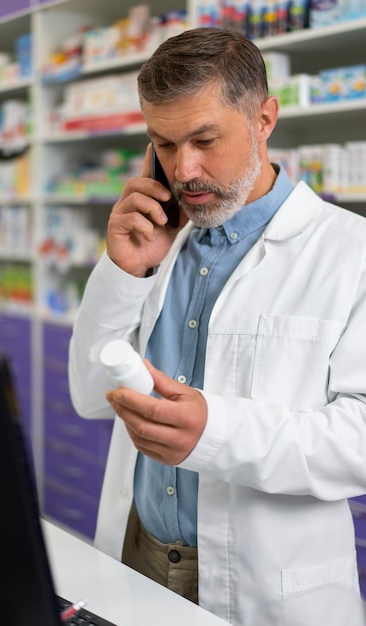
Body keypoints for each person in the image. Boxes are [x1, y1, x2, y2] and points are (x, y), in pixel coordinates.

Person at [68, 27, 366, 626]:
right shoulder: (159, 240)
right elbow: (86, 396)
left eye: (205, 139)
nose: (185, 169)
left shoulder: (349, 252)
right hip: (136, 555)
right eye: (165, 143)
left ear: (263, 118)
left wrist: (216, 431)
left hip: (264, 584)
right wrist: (123, 272)